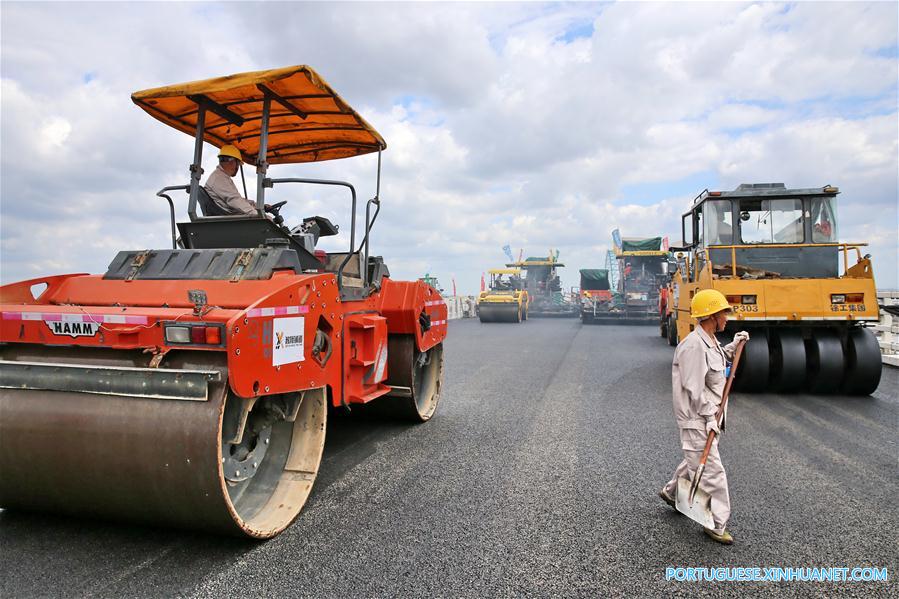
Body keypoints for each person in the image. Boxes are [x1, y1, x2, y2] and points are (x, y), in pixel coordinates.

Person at [659, 289, 749, 544]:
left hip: (708, 418)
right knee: (712, 473)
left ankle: (671, 492)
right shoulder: (693, 346)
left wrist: (734, 345)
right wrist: (710, 416)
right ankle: (717, 524)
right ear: (711, 315)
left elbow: (718, 365)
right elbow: (693, 387)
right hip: (697, 418)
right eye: (724, 313)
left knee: (696, 461)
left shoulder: (709, 341)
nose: (727, 319)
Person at [203, 145, 260, 216]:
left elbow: (238, 200)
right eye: (238, 164)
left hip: (227, 217)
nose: (238, 168)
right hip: (228, 220)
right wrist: (256, 214)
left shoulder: (220, 176)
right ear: (232, 162)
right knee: (268, 220)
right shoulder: (220, 178)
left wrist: (258, 206)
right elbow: (234, 200)